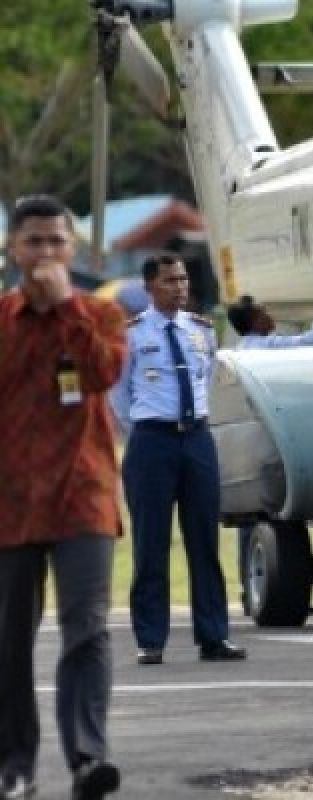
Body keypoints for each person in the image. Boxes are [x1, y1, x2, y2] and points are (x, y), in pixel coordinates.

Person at [0, 195, 124, 799]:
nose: (46, 252)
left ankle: (87, 758)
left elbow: (101, 375)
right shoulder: (2, 319)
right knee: (7, 638)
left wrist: (67, 309)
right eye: (34, 242)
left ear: (74, 250)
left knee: (87, 628)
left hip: (84, 494)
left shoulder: (101, 317)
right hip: (11, 500)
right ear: (12, 250)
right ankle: (14, 765)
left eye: (56, 241)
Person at [111, 254, 247, 666]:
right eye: (170, 281)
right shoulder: (133, 334)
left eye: (184, 280)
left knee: (204, 541)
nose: (180, 287)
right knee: (151, 542)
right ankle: (151, 638)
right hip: (153, 441)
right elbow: (118, 395)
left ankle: (213, 635)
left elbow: (203, 378)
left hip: (196, 439)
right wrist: (146, 428)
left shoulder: (201, 331)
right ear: (150, 286)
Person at [227, 282, 313, 597]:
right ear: (253, 321)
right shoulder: (264, 350)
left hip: (251, 452)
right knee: (276, 519)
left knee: (256, 522)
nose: (268, 315)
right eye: (263, 312)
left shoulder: (241, 353)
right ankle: (273, 588)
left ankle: (256, 590)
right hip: (272, 453)